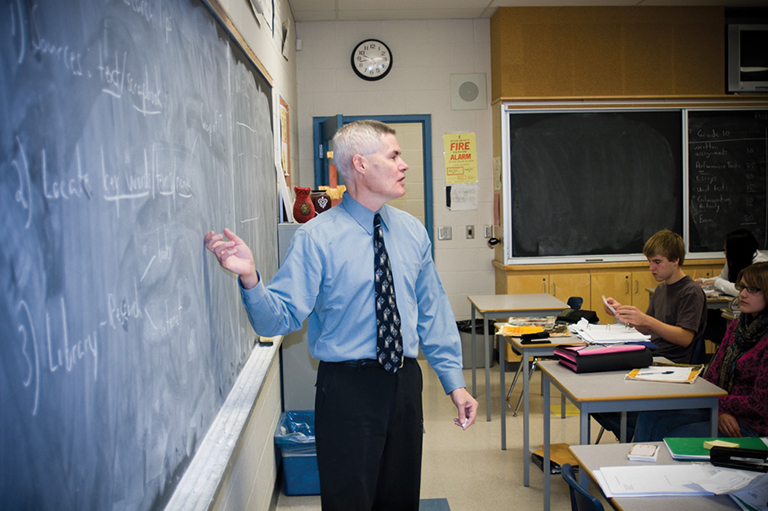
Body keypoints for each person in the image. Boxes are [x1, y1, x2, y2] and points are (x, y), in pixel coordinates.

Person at [204, 120, 478, 511]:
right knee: (349, 502)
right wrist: (250, 278)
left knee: (400, 500)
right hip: (347, 391)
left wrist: (455, 382)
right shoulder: (317, 237)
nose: (404, 165)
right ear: (361, 164)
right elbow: (275, 320)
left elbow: (432, 311)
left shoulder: (412, 232)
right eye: (394, 155)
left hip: (404, 385)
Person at [634, 261, 768, 440]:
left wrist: (717, 404)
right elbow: (713, 376)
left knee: (673, 436)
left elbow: (760, 404)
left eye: (752, 289)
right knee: (650, 414)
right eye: (742, 287)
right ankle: (637, 464)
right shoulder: (737, 327)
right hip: (721, 409)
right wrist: (719, 410)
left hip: (752, 425)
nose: (743, 294)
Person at [595, 229, 707, 440]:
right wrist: (623, 312)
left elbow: (685, 338)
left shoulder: (690, 292)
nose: (651, 268)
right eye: (649, 261)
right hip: (652, 355)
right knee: (594, 392)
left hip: (671, 364)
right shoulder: (662, 289)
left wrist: (646, 320)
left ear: (676, 260)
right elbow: (647, 328)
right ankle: (635, 434)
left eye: (657, 262)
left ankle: (638, 434)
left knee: (603, 396)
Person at [697, 229, 768, 344]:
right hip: (738, 314)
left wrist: (716, 282)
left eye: (726, 249)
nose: (724, 253)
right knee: (702, 320)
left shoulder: (760, 266)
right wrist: (703, 281)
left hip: (743, 314)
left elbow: (733, 288)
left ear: (737, 250)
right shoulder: (734, 260)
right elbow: (722, 278)